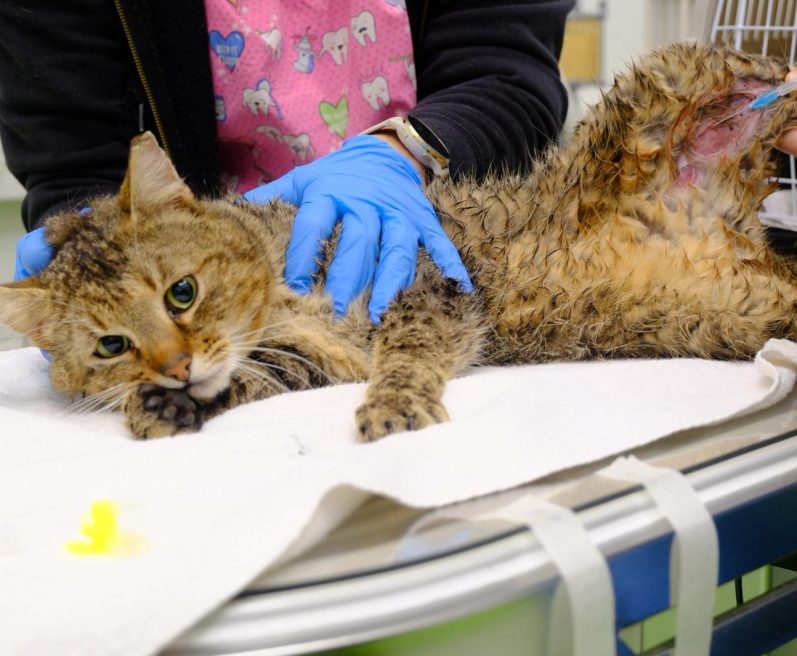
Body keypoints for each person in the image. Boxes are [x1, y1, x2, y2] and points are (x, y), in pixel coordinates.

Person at [0, 0, 575, 323]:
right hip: (210, 303)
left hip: (435, 228)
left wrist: (405, 153)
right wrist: (88, 248)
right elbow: (74, 152)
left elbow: (507, 74)